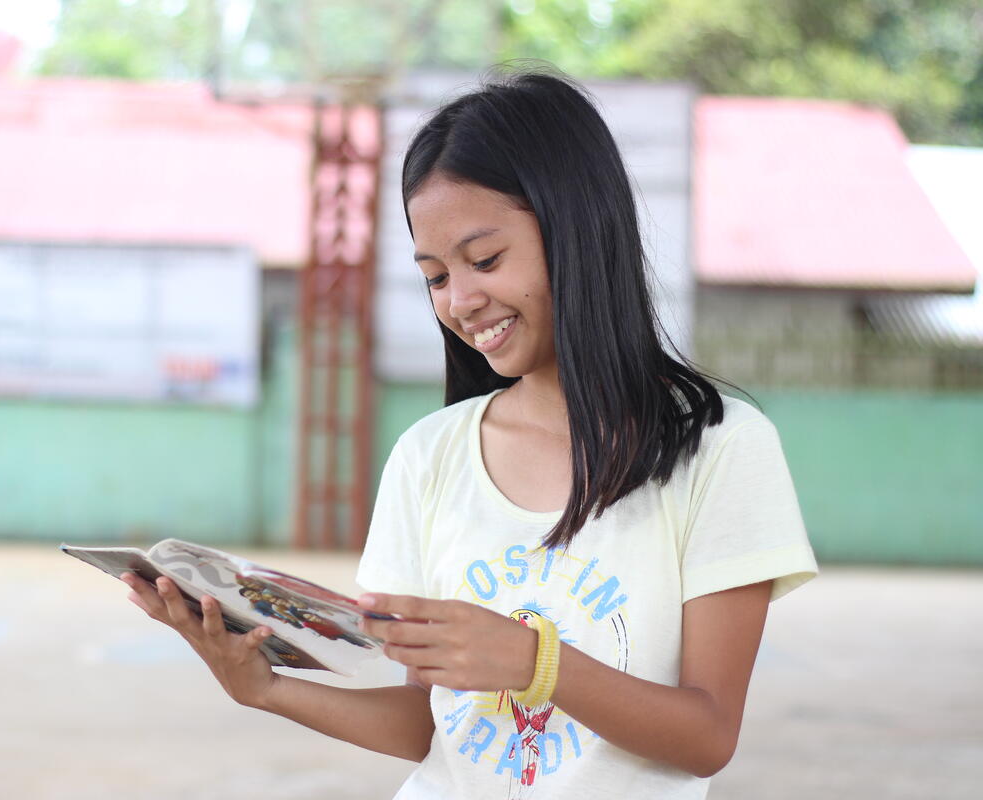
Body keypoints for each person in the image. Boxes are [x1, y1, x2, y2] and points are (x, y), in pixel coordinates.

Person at [120, 68, 818, 800]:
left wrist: (536, 662)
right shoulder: (430, 455)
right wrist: (265, 689)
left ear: (576, 228)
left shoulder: (720, 447)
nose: (460, 300)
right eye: (434, 276)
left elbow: (706, 737)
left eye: (484, 260)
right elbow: (432, 726)